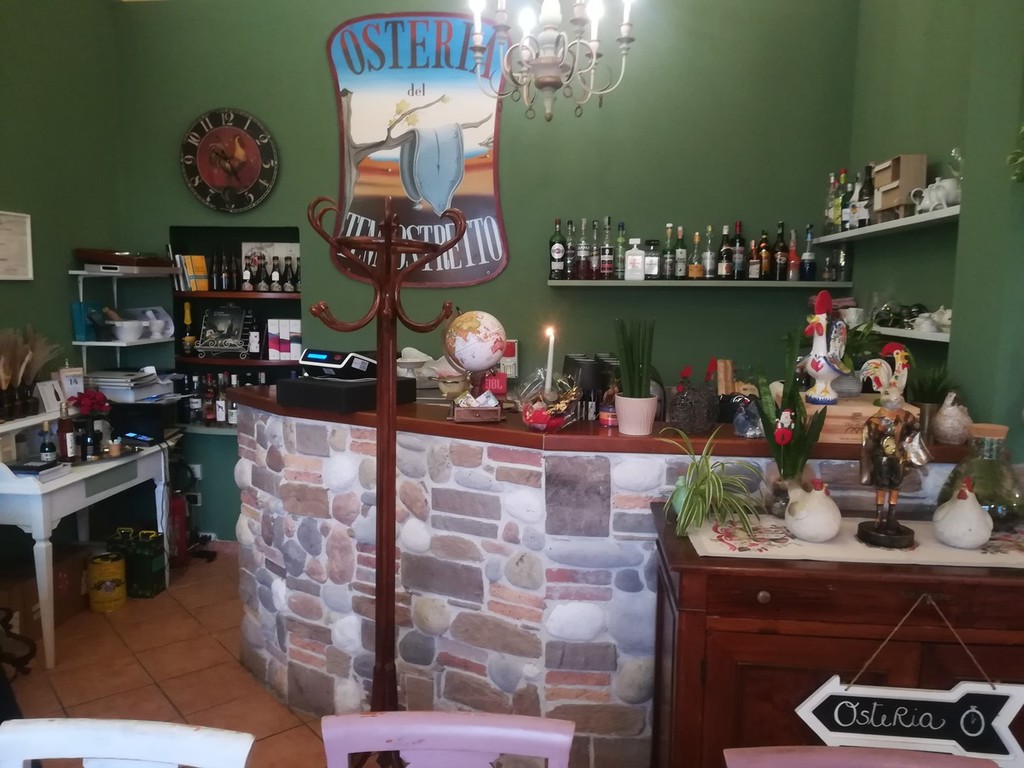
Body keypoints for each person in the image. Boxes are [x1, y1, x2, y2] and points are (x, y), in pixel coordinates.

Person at [858, 343, 930, 546]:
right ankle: (878, 516)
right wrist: (877, 433)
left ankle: (891, 516)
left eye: (898, 395)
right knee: (881, 486)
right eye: (889, 395)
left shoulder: (905, 416)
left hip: (897, 457)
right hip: (881, 458)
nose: (894, 399)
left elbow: (916, 427)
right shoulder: (876, 420)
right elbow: (869, 440)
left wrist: (908, 440)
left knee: (895, 486)